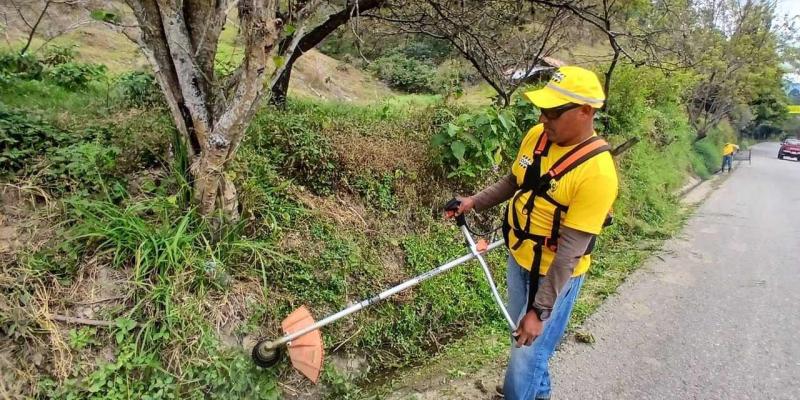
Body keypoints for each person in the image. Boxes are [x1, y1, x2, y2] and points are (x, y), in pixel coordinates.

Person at [449, 66, 618, 400]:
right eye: (542, 110)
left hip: (556, 274)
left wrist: (540, 311)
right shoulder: (537, 136)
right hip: (519, 257)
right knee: (524, 341)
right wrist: (473, 202)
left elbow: (570, 252)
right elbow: (514, 180)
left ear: (586, 112)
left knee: (526, 351)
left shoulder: (598, 173)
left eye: (554, 112)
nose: (544, 119)